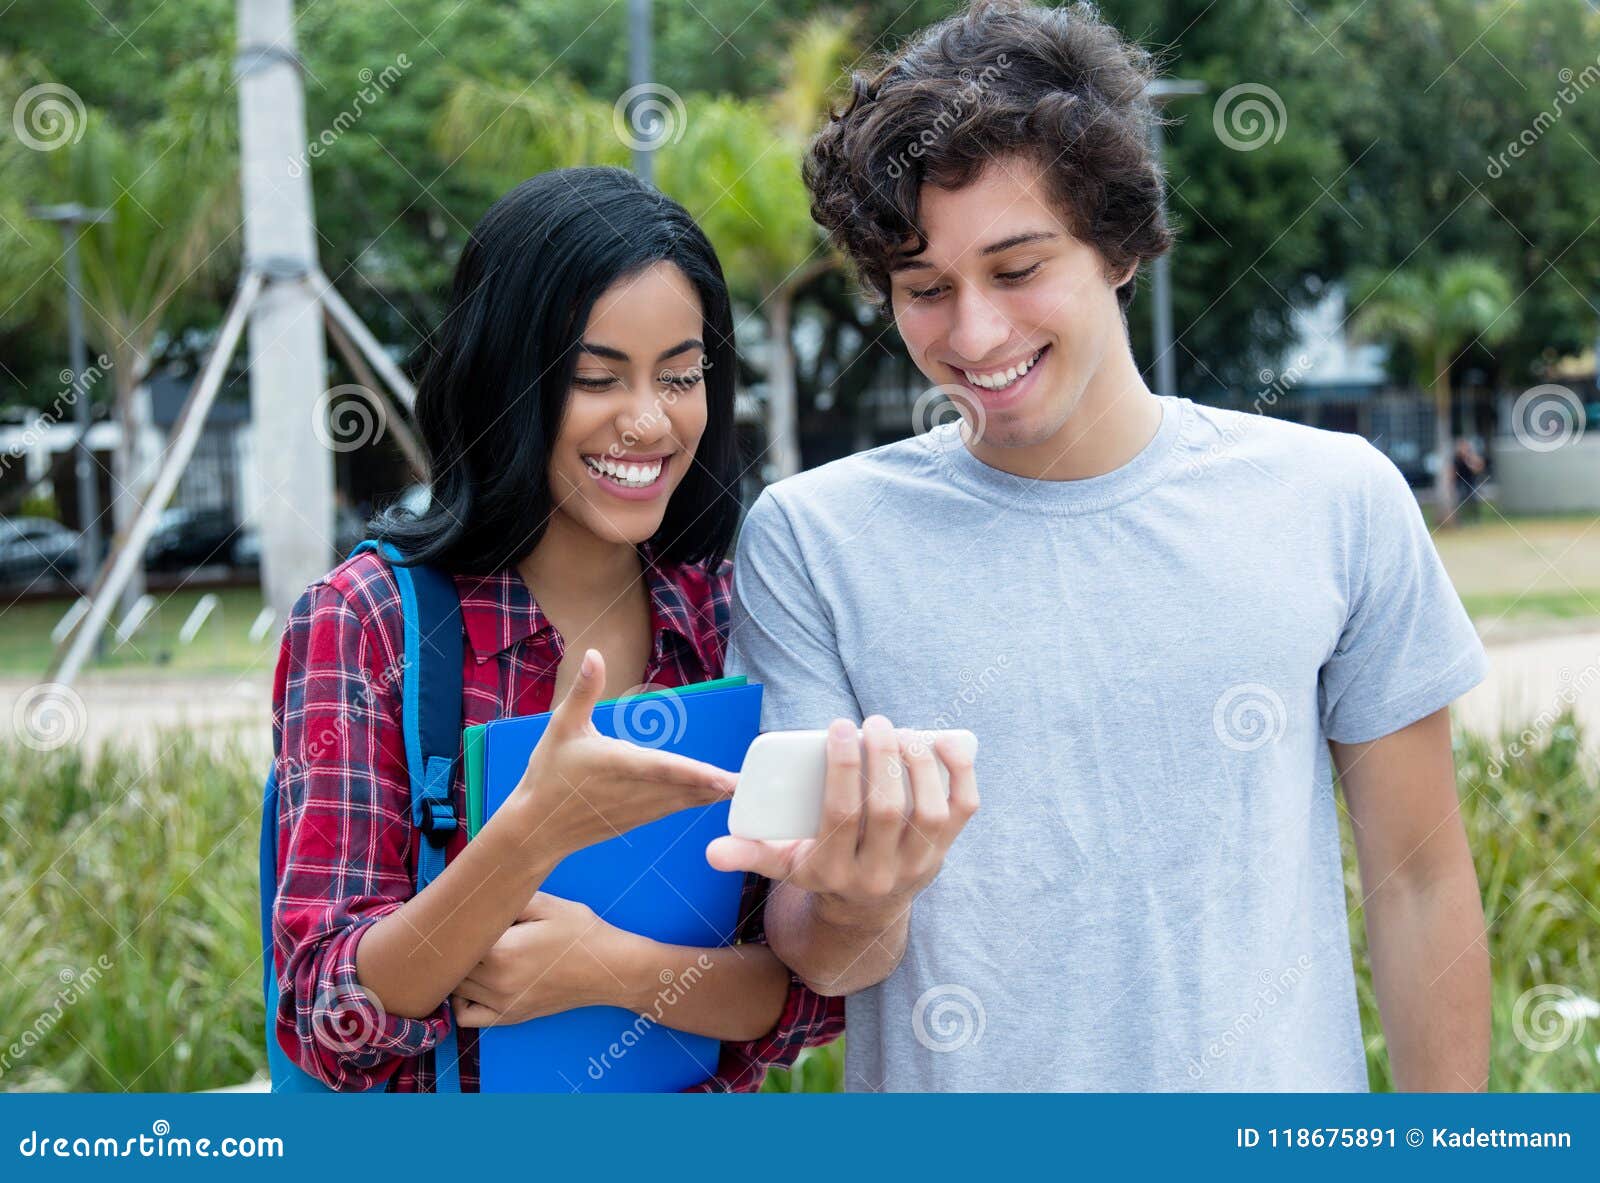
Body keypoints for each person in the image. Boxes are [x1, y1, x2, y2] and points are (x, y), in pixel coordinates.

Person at [710, 0, 1490, 1092]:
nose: (973, 335)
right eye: (925, 291)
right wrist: (861, 890)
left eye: (1018, 268)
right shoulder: (813, 539)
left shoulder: (1333, 499)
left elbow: (1417, 881)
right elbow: (823, 952)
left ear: (1118, 246)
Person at [268, 167, 863, 1091]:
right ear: (504, 382)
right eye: (596, 378)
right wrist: (530, 835)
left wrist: (603, 967)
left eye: (681, 375)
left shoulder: (728, 612)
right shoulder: (373, 621)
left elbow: (805, 996)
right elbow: (329, 1017)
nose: (648, 420)